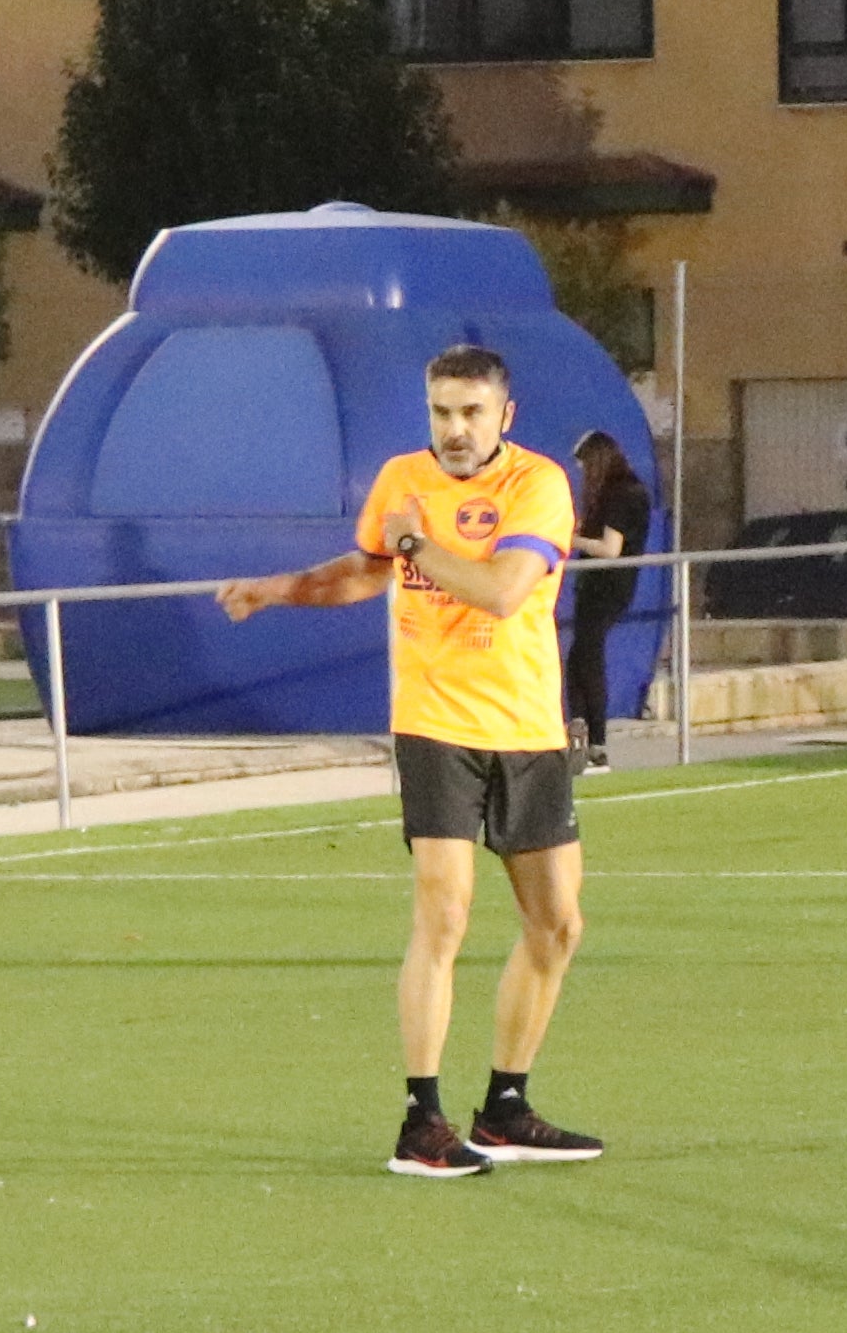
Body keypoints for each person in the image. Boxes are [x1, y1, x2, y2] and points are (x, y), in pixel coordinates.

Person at [217, 341, 598, 1180]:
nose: (455, 430)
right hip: (434, 722)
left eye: (471, 413)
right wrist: (276, 588)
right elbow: (366, 571)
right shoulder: (402, 480)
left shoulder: (537, 485)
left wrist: (416, 547)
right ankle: (421, 1120)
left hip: (528, 727)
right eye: (441, 413)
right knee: (445, 915)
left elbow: (503, 590)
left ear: (506, 415)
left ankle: (504, 1108)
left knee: (559, 922)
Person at [563, 427, 654, 764]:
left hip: (607, 586)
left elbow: (610, 548)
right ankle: (582, 733)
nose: (584, 474)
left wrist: (568, 540)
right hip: (598, 585)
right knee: (579, 660)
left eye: (586, 466)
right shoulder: (619, 493)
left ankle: (596, 741)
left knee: (588, 656)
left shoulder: (621, 494)